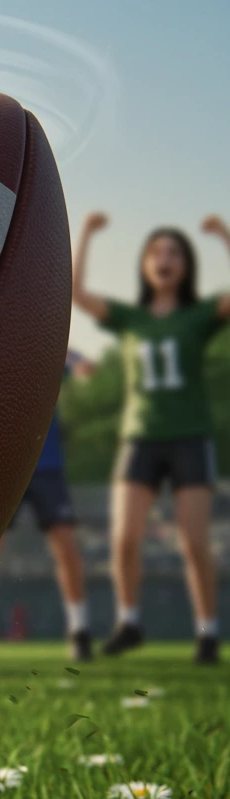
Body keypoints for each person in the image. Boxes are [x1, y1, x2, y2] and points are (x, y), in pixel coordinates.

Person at [72, 212, 230, 664]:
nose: (165, 259)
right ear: (144, 264)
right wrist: (86, 234)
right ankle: (130, 621)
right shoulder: (129, 318)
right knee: (124, 539)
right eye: (156, 252)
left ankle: (207, 632)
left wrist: (223, 236)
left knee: (194, 543)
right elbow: (79, 294)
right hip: (139, 438)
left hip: (189, 437)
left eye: (174, 252)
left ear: (186, 265)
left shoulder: (198, 316)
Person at [0, 350, 96, 662]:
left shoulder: (45, 344)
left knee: (66, 548)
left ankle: (79, 631)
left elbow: (81, 364)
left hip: (48, 466)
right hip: (5, 466)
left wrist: (80, 367)